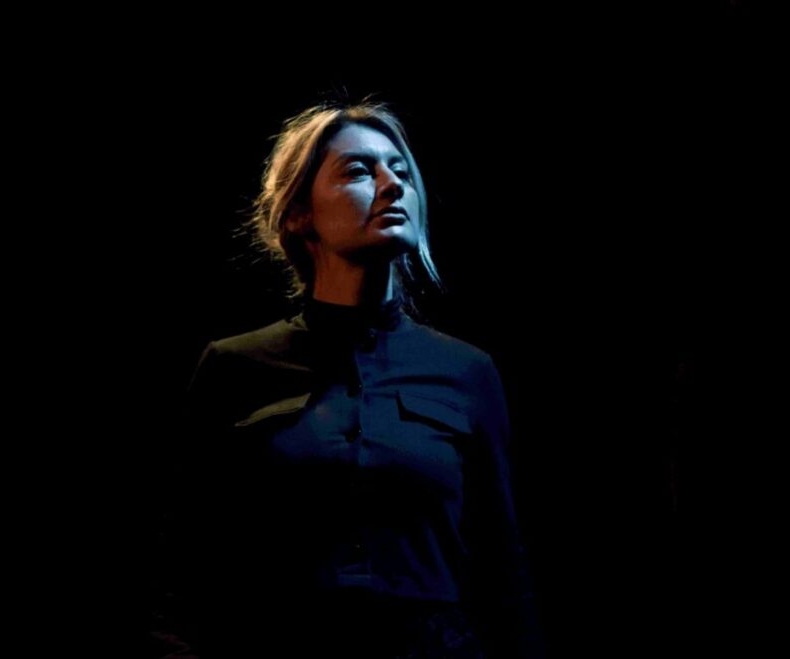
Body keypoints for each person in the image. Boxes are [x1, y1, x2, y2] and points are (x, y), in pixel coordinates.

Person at [147, 101, 546, 658]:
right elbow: (183, 565)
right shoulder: (235, 367)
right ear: (298, 214)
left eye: (401, 171)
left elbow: (503, 570)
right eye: (359, 171)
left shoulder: (467, 371)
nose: (392, 185)